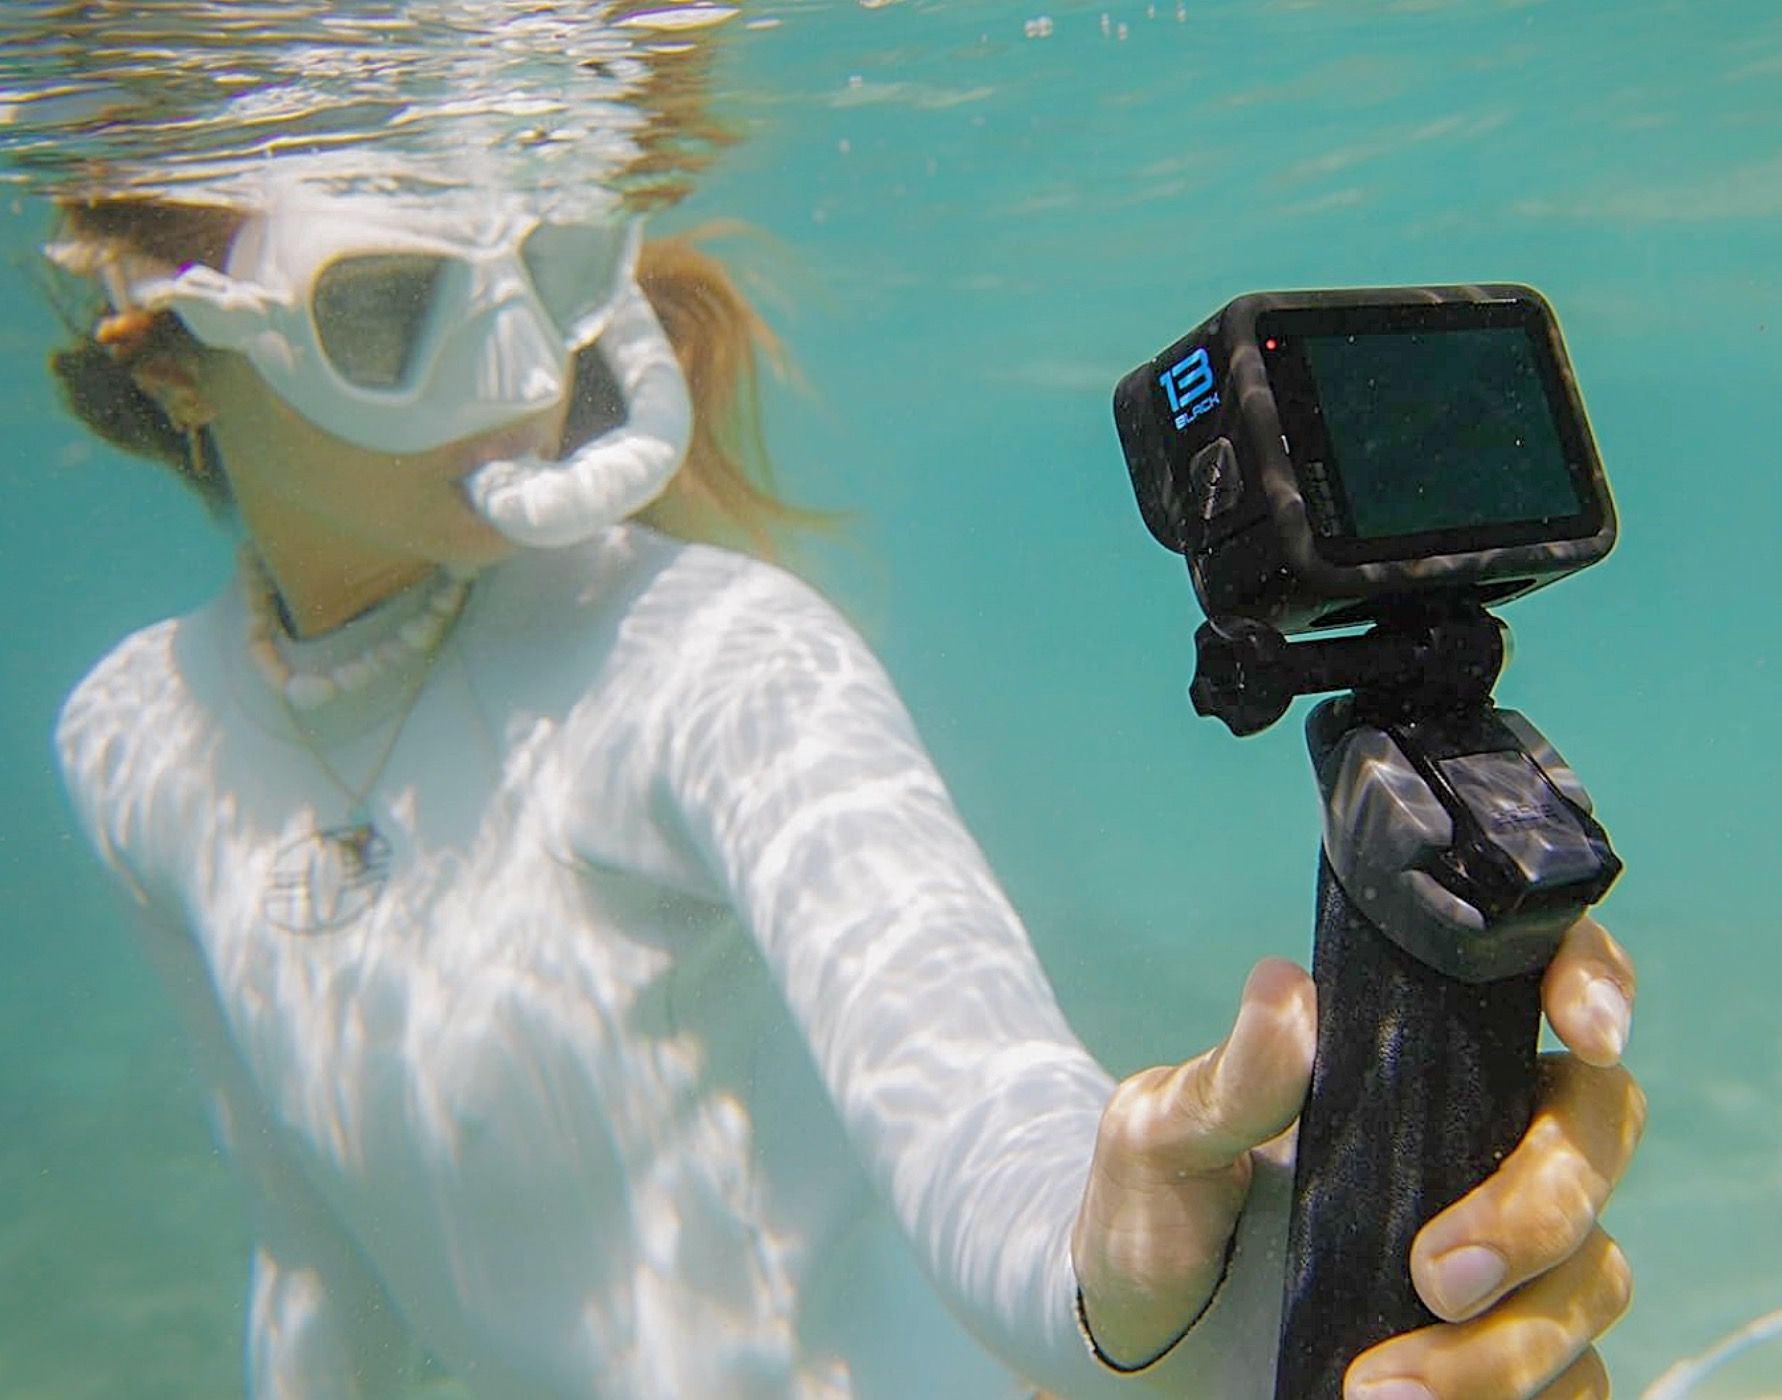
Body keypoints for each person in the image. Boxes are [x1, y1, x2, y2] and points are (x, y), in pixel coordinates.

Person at [43, 164, 1644, 1399]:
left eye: (550, 269)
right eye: (386, 310)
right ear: (171, 348)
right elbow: (312, 1252)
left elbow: (978, 1103)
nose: (518, 374)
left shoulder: (707, 654)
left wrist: (1195, 1275)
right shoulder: (131, 737)